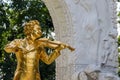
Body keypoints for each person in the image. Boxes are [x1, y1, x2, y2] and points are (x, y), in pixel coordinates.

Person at [4, 20, 75, 80]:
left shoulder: (39, 47)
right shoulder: (18, 42)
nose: (40, 31)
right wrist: (15, 47)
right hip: (20, 77)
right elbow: (7, 48)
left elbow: (48, 61)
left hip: (35, 77)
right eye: (38, 29)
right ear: (30, 30)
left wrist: (57, 50)